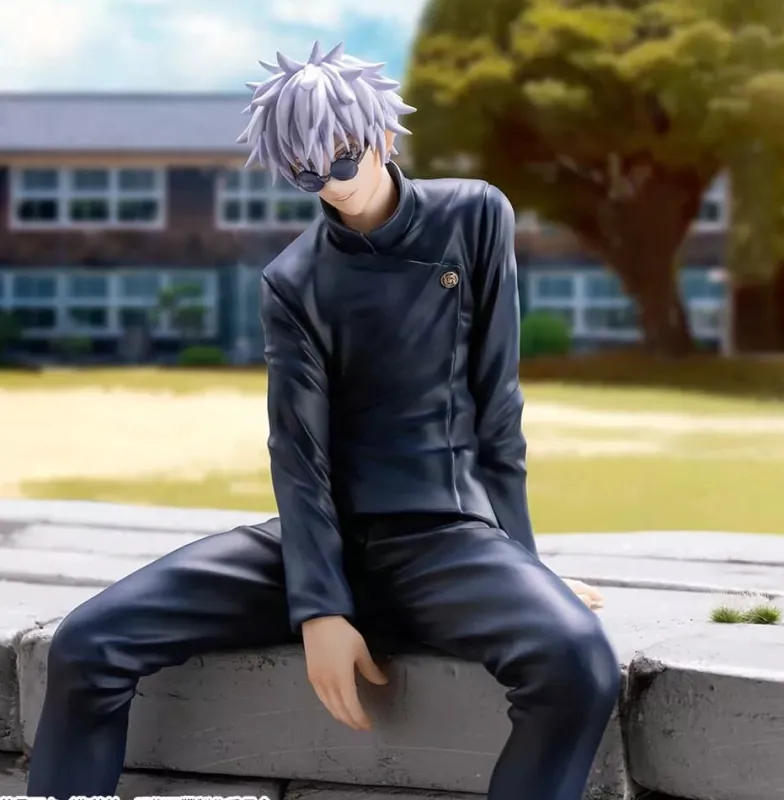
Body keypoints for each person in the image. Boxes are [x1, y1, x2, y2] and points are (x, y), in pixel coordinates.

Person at [26, 41, 619, 800]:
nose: (332, 184)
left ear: (382, 135)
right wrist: (321, 609)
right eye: (307, 174)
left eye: (341, 158)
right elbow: (299, 453)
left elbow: (497, 406)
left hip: (443, 536)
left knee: (579, 664)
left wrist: (524, 567)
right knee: (86, 642)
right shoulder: (294, 279)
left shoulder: (474, 214)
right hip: (321, 541)